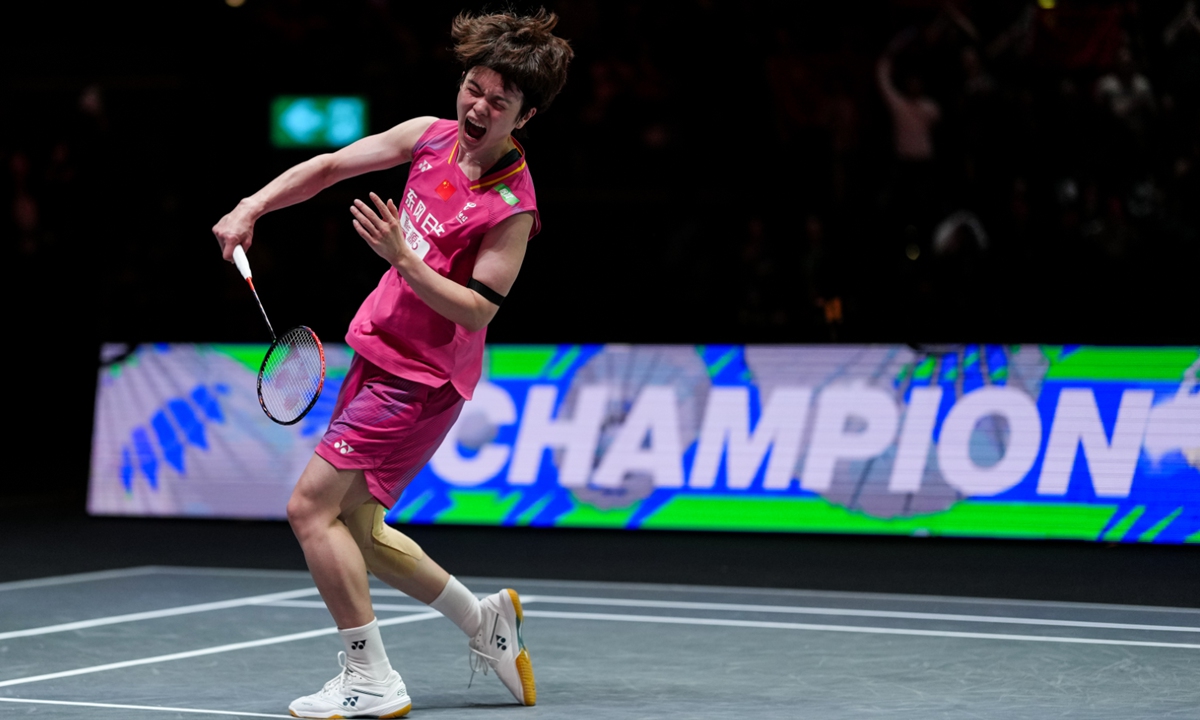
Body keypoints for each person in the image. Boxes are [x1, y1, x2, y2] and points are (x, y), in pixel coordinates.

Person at [211, 10, 571, 718]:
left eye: (499, 102)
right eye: (473, 88)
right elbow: (330, 166)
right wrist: (253, 206)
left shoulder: (512, 207)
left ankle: (370, 676)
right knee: (359, 530)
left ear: (525, 116)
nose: (478, 108)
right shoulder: (430, 137)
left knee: (310, 509)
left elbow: (478, 310)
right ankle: (484, 621)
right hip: (376, 352)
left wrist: (404, 258)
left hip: (421, 380)